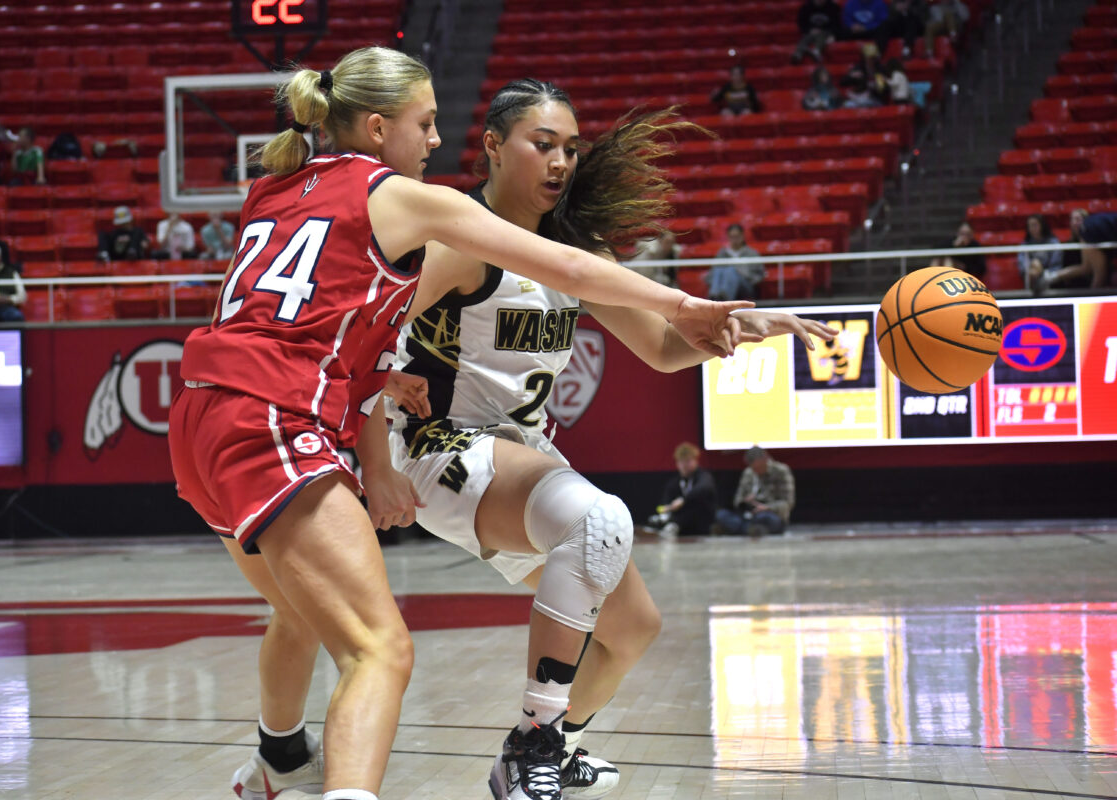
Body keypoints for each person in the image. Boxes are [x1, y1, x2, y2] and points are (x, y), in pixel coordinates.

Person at [168, 49, 759, 800]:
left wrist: (378, 372)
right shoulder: (419, 205)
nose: (435, 140)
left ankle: (280, 759)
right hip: (316, 423)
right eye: (426, 123)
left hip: (200, 410)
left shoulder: (276, 185)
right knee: (380, 651)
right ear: (380, 129)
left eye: (570, 148)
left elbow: (322, 314)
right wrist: (686, 301)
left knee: (301, 609)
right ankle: (529, 745)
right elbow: (568, 273)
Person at [376, 81, 836, 800]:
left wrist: (750, 328)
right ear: (494, 147)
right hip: (440, 443)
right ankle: (530, 744)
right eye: (542, 144)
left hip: (517, 449)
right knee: (600, 519)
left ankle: (561, 747)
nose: (561, 162)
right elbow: (364, 331)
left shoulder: (574, 251)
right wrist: (375, 429)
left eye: (570, 148)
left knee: (633, 629)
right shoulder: (460, 235)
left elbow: (659, 345)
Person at [714, 446, 795, 536]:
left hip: (769, 513)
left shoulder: (781, 471)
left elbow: (787, 503)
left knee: (764, 518)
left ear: (765, 459)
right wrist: (745, 501)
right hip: (749, 514)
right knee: (721, 515)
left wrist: (767, 507)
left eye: (759, 468)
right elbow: (737, 500)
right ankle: (751, 530)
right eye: (754, 469)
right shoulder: (748, 473)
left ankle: (739, 530)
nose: (756, 471)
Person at [647, 442, 718, 538]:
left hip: (702, 525)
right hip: (681, 530)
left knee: (695, 506)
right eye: (681, 462)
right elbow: (663, 505)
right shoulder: (674, 483)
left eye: (688, 461)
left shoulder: (704, 477)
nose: (684, 465)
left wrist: (683, 500)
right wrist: (666, 508)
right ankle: (669, 525)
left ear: (696, 461)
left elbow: (704, 488)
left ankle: (674, 525)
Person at [1048, 211, 1117, 290]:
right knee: (1100, 277)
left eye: (1078, 219)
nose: (1074, 223)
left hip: (1090, 227)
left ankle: (1049, 277)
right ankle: (1092, 300)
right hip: (1094, 229)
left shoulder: (1089, 224)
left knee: (1086, 268)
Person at [706, 222, 764, 301]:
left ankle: (724, 298)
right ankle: (714, 295)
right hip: (721, 285)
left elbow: (759, 275)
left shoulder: (751, 253)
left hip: (746, 286)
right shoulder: (722, 252)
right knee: (718, 269)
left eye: (737, 236)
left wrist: (746, 276)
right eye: (732, 237)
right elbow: (711, 274)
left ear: (742, 236)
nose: (735, 239)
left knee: (731, 270)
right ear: (728, 237)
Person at [1017, 213, 1062, 294]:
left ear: (1042, 225)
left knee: (1036, 264)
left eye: (1034, 225)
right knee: (1034, 264)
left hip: (1050, 275)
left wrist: (1044, 272)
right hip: (1031, 275)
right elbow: (1022, 265)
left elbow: (1056, 264)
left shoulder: (1053, 242)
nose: (1032, 228)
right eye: (1029, 226)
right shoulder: (1025, 244)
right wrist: (1031, 271)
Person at [793, 0, 843, 64]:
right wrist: (809, 30)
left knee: (822, 36)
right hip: (811, 32)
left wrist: (834, 35)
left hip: (826, 32)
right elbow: (801, 23)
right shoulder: (806, 7)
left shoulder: (833, 7)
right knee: (806, 38)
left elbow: (837, 24)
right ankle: (798, 54)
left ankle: (816, 51)